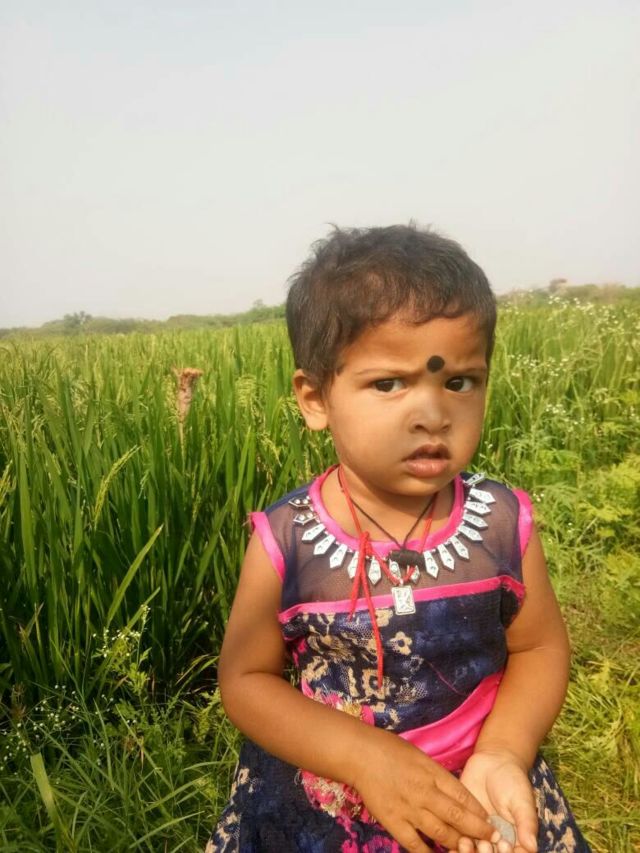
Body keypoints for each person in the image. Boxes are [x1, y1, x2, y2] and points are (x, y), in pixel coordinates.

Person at [207, 225, 590, 853]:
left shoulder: (501, 523)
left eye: (459, 382)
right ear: (315, 398)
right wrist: (365, 758)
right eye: (389, 384)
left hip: (477, 798)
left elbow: (539, 648)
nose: (432, 414)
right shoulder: (289, 540)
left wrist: (503, 751)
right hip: (328, 800)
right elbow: (247, 680)